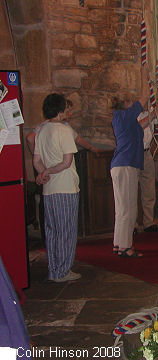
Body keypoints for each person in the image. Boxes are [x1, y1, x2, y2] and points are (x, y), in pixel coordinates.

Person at [33, 93, 81, 282]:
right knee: (66, 231)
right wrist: (49, 172)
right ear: (61, 110)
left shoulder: (42, 129)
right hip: (65, 187)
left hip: (49, 189)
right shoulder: (63, 130)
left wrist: (43, 172)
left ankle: (54, 269)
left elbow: (36, 160)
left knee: (52, 230)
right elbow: (67, 162)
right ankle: (63, 271)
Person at [110, 65, 150, 258]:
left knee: (122, 208)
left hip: (121, 165)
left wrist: (156, 113)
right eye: (131, 101)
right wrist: (144, 76)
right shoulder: (125, 115)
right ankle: (126, 247)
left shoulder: (122, 118)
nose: (134, 103)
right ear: (125, 104)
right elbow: (144, 97)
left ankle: (119, 244)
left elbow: (142, 125)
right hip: (126, 165)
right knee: (129, 209)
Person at [137, 96, 158, 233]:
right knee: (132, 191)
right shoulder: (133, 114)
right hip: (133, 153)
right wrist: (154, 112)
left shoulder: (150, 112)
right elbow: (140, 126)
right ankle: (132, 225)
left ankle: (148, 222)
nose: (147, 104)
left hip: (146, 152)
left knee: (149, 189)